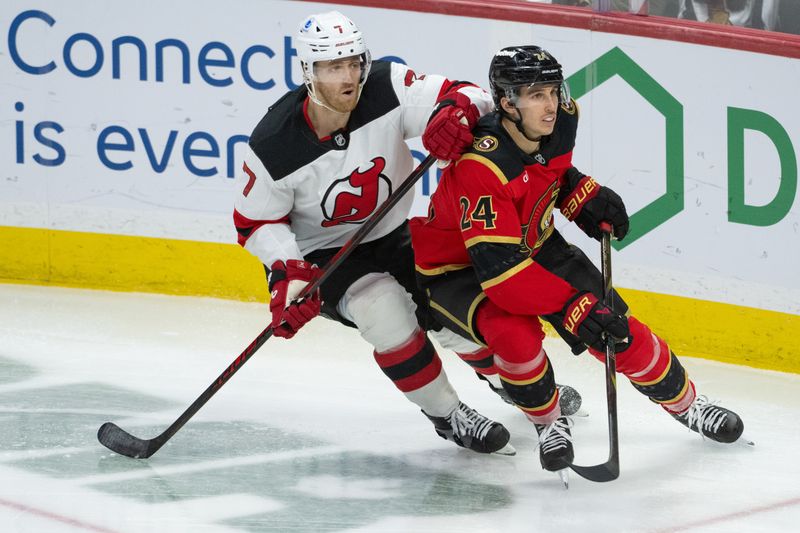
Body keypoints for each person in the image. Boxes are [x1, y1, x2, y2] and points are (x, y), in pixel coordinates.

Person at [233, 12, 581, 456]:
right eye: (334, 67)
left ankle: (513, 384)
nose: (349, 78)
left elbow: (471, 95)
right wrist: (290, 270)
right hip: (321, 256)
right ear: (308, 71)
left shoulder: (385, 86)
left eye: (354, 63)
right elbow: (255, 222)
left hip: (394, 232)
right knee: (383, 308)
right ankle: (448, 414)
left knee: (451, 305)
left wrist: (455, 112)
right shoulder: (274, 143)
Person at [408, 46, 746, 475]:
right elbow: (503, 276)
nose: (551, 104)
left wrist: (579, 193)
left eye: (553, 90)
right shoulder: (481, 165)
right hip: (462, 270)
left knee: (615, 329)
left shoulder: (562, 119)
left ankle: (689, 405)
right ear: (507, 102)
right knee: (515, 337)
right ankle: (548, 423)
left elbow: (545, 171)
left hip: (533, 244)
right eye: (536, 95)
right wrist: (571, 305)